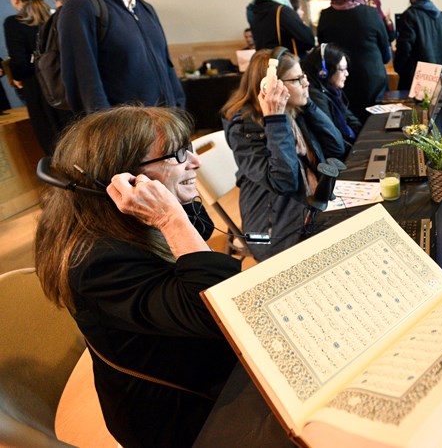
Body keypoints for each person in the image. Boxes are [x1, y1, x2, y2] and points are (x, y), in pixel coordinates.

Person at [34, 106, 293, 448]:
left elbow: (198, 229)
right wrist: (171, 219)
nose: (195, 163)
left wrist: (175, 204)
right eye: (177, 154)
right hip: (181, 415)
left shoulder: (126, 221)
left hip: (197, 360)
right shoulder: (98, 261)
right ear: (122, 179)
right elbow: (220, 313)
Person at [221, 47, 345, 261]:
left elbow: (336, 147)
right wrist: (275, 120)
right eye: (297, 80)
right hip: (271, 232)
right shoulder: (244, 127)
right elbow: (284, 181)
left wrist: (308, 104)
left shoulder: (294, 110)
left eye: (304, 76)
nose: (306, 83)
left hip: (303, 210)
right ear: (270, 87)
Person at [3, 0, 72, 154]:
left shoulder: (14, 23)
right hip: (61, 82)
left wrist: (17, 77)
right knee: (69, 130)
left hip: (36, 86)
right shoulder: (53, 19)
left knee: (49, 135)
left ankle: (61, 176)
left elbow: (20, 61)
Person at [317, 0, 391, 120]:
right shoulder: (370, 13)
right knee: (377, 127)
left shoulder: (325, 16)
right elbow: (386, 55)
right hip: (372, 84)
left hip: (340, 84)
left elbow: (323, 51)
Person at [301, 43, 362, 154]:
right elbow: (331, 137)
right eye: (342, 70)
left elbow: (351, 119)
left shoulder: (333, 91)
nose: (346, 74)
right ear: (323, 72)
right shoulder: (316, 97)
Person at [393, 0, 442, 90]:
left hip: (415, 80)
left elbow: (404, 49)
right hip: (438, 78)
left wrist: (399, 67)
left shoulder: (409, 16)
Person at [246, 0, 314, 56]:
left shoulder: (252, 12)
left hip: (264, 62)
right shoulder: (282, 11)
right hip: (285, 62)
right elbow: (308, 40)